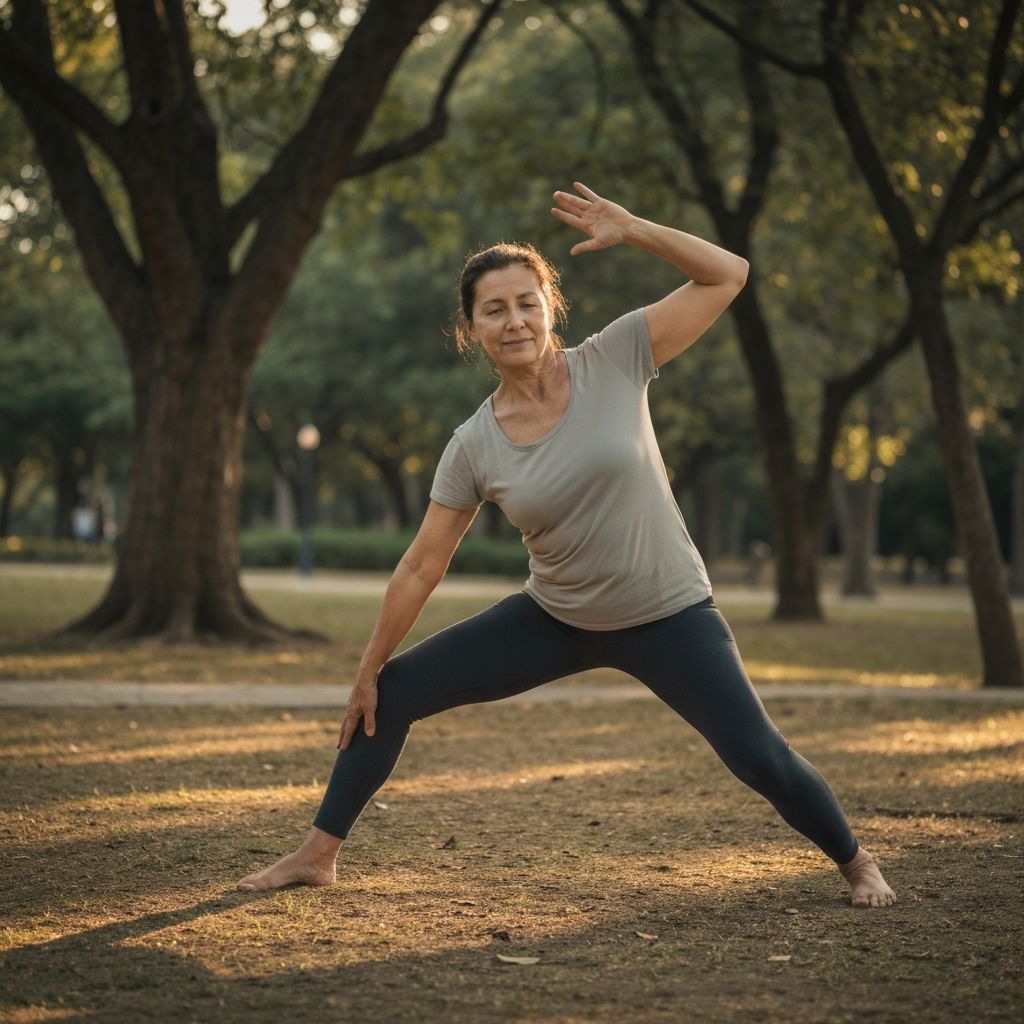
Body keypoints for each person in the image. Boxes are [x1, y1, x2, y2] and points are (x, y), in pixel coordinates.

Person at [238, 183, 896, 908]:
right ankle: (318, 854)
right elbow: (423, 562)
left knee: (757, 755)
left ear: (550, 305)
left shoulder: (615, 357)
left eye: (527, 302)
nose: (514, 320)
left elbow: (729, 273)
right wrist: (367, 669)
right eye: (494, 309)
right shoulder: (473, 444)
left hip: (668, 611)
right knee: (389, 695)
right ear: (471, 329)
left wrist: (635, 226)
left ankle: (857, 861)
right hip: (556, 618)